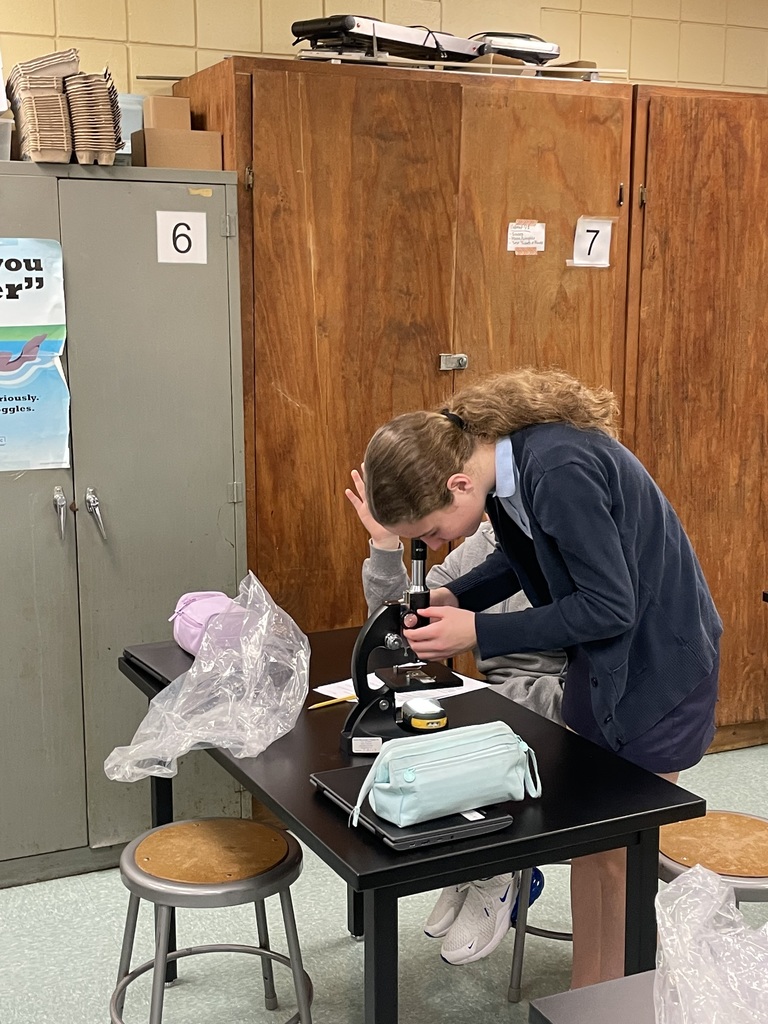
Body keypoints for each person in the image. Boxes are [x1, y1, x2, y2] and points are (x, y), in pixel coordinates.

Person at [360, 368, 721, 988]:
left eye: (432, 532)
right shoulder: (505, 471)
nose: (436, 544)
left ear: (457, 484)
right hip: (601, 667)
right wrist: (456, 594)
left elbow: (610, 606)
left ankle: (612, 1000)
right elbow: (520, 556)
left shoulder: (556, 468)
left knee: (621, 858)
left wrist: (480, 631)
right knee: (591, 847)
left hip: (658, 669)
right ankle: (586, 995)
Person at [345, 468, 566, 966]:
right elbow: (401, 627)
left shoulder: (562, 544)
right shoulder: (483, 545)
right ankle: (470, 863)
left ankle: (494, 870)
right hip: (496, 694)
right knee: (417, 732)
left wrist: (485, 653)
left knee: (465, 739)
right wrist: (385, 547)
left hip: (558, 697)